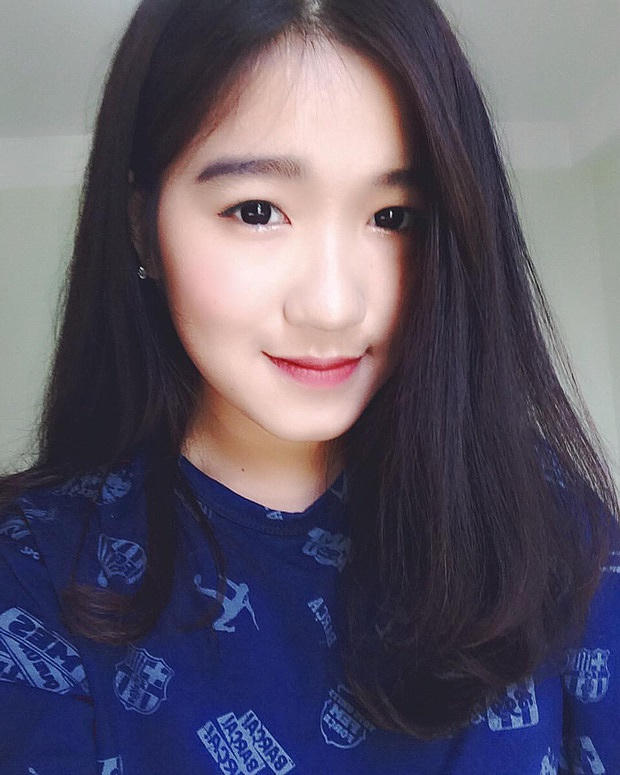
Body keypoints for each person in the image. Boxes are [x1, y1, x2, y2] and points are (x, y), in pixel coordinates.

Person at [0, 0, 618, 773]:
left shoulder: (547, 520)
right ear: (140, 225)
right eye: (257, 211)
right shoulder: (33, 567)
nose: (332, 305)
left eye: (394, 216)